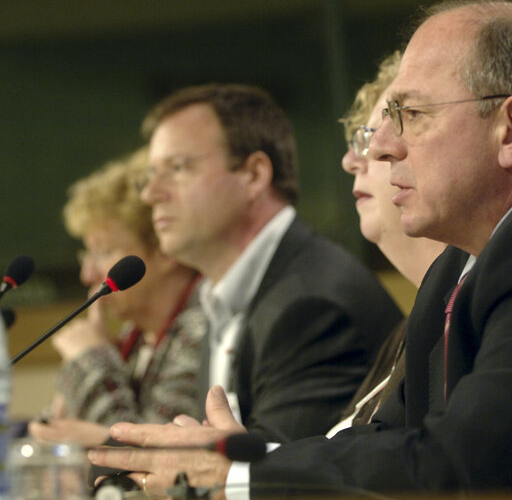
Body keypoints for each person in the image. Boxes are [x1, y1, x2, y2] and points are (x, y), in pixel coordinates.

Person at [88, 0, 512, 496]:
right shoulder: (466, 259)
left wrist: (238, 477)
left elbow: (458, 474)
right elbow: (386, 438)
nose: (384, 148)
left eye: (412, 117)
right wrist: (237, 462)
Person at [133, 83, 402, 443]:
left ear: (254, 175)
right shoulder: (220, 297)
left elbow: (280, 483)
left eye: (177, 168)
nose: (152, 194)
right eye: (150, 176)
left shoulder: (311, 304)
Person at [30, 148, 207, 447]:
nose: (87, 275)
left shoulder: (202, 329)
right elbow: (62, 437)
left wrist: (91, 361)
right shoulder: (134, 339)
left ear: (164, 251)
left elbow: (151, 458)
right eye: (87, 254)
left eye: (104, 253)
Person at [328, 50, 446, 435]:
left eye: (376, 133)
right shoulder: (408, 329)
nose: (352, 160)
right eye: (362, 137)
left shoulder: (456, 322)